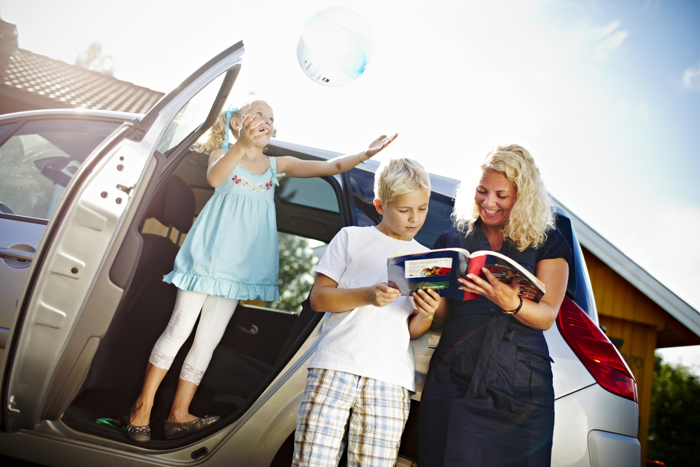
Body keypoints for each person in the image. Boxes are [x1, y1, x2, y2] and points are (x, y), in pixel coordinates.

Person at [126, 99, 399, 442]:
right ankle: (142, 407)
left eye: (271, 118)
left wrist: (365, 153)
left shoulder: (275, 166)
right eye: (259, 115)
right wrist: (239, 145)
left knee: (207, 341)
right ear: (239, 122)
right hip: (207, 261)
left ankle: (179, 414)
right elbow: (215, 177)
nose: (267, 121)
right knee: (179, 329)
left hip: (237, 271)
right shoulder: (223, 156)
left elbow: (330, 167)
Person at [417, 144, 571, 466]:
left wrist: (511, 302)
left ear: (523, 196)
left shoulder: (548, 241)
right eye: (482, 191)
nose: (488, 203)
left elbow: (546, 317)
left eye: (501, 195)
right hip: (455, 374)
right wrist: (429, 305)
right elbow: (441, 317)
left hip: (521, 383)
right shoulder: (452, 240)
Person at [292, 158, 442, 467]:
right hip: (335, 366)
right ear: (380, 205)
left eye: (423, 208)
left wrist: (426, 314)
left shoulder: (427, 259)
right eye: (404, 210)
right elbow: (319, 299)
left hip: (391, 379)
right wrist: (367, 295)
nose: (415, 219)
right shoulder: (351, 238)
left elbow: (412, 330)